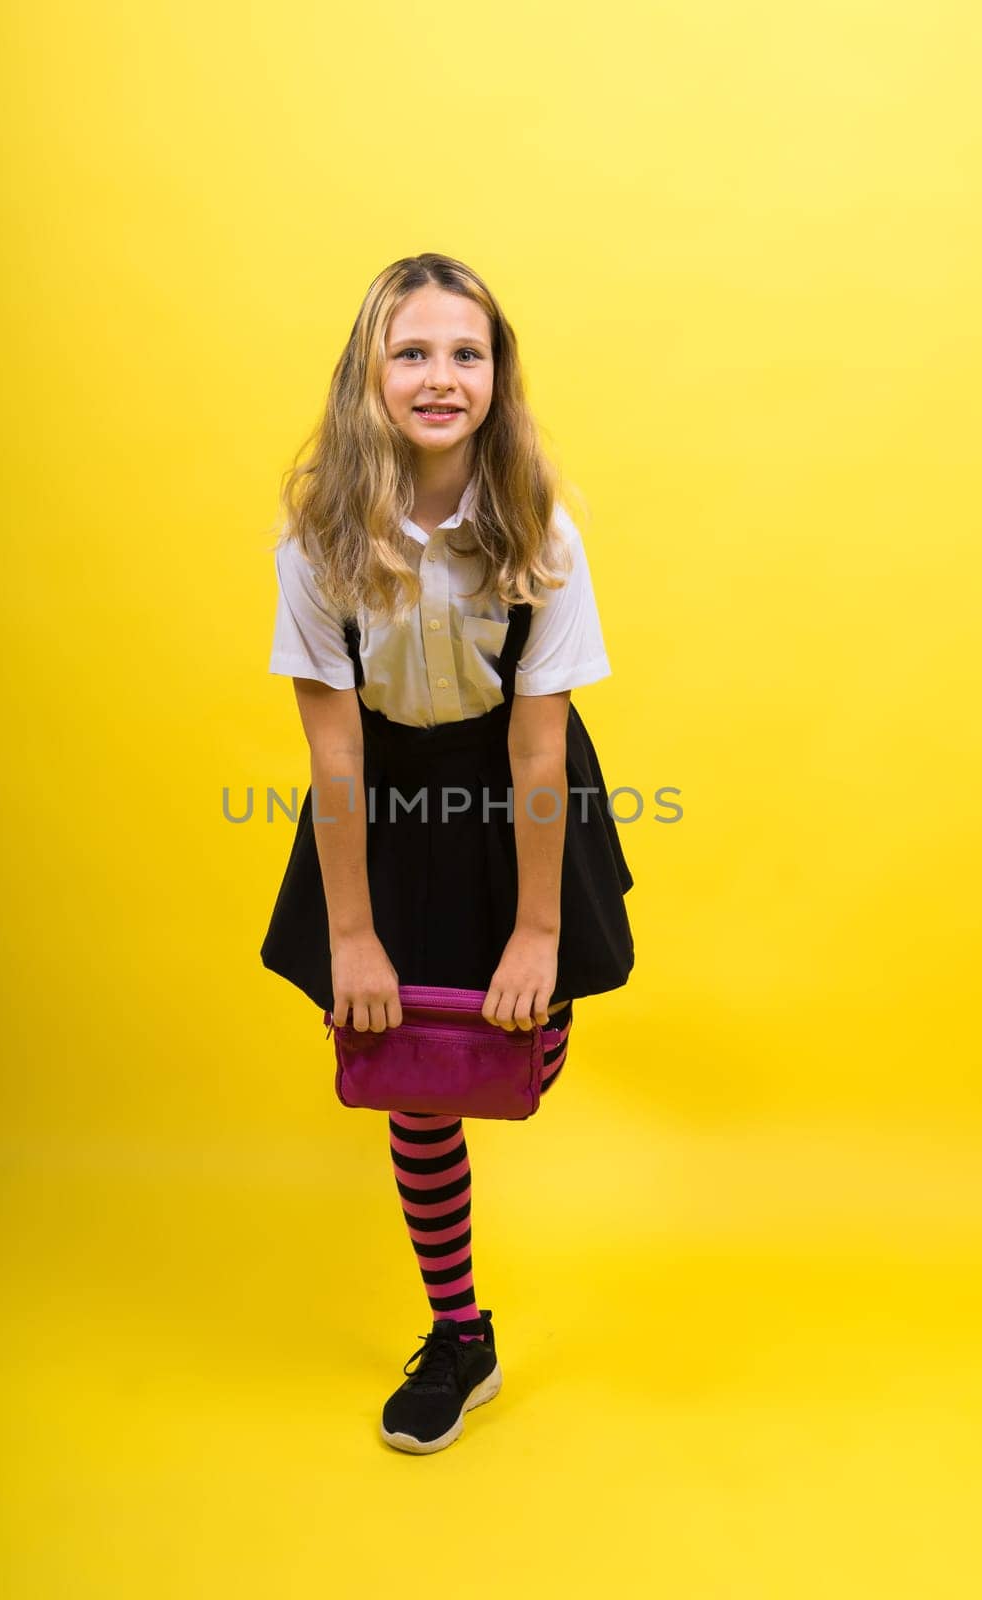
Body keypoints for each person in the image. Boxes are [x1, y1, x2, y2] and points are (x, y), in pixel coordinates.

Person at [259, 252, 635, 1454]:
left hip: (514, 795)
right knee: (412, 1081)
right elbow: (333, 757)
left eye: (463, 353)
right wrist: (355, 938)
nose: (438, 376)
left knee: (522, 1048)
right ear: (367, 373)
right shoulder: (318, 534)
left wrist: (535, 932)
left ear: (495, 374)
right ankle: (457, 1331)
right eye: (411, 351)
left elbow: (537, 750)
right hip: (383, 802)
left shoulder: (540, 526)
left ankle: (505, 991)